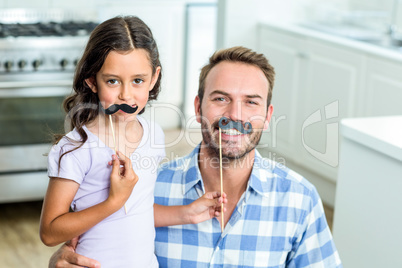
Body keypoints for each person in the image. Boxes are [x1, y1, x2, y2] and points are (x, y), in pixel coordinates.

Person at [49, 46, 342, 267]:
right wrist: (60, 261)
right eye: (220, 99)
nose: (234, 115)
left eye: (250, 102)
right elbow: (86, 242)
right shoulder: (146, 187)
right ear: (198, 106)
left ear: (267, 116)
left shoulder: (300, 200)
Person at [40, 16, 226, 268]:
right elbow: (50, 232)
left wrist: (188, 213)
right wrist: (113, 202)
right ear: (92, 80)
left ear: (153, 78)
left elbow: (138, 210)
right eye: (112, 81)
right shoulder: (76, 148)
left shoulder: (153, 134)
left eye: (137, 80)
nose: (126, 94)